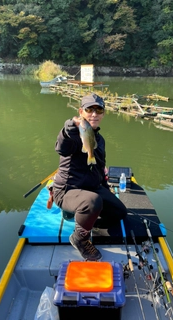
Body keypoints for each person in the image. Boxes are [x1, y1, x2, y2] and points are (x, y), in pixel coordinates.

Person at [53, 93, 127, 261]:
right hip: (67, 190)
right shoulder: (73, 132)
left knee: (120, 212)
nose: (94, 114)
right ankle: (79, 238)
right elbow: (62, 148)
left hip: (92, 188)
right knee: (92, 202)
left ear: (103, 114)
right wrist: (70, 126)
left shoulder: (99, 140)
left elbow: (100, 168)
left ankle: (86, 220)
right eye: (89, 109)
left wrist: (106, 191)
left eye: (99, 110)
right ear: (81, 112)